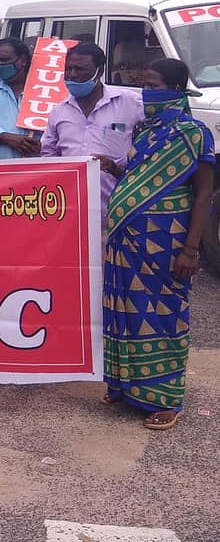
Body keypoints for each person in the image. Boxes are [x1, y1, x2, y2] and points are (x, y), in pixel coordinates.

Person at [102, 59, 214, 430]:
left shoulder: (193, 134)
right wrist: (112, 169)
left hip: (166, 243)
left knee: (162, 314)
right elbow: (137, 177)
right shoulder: (145, 132)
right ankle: (126, 386)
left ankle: (166, 396)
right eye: (143, 86)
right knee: (125, 309)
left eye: (152, 86)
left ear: (175, 90)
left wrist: (190, 249)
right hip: (127, 239)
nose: (145, 93)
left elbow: (202, 196)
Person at [40, 44, 143, 225]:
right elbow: (48, 155)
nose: (72, 74)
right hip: (72, 215)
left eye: (80, 69)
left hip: (120, 213)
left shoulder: (131, 104)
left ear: (99, 71)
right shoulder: (59, 112)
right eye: (68, 69)